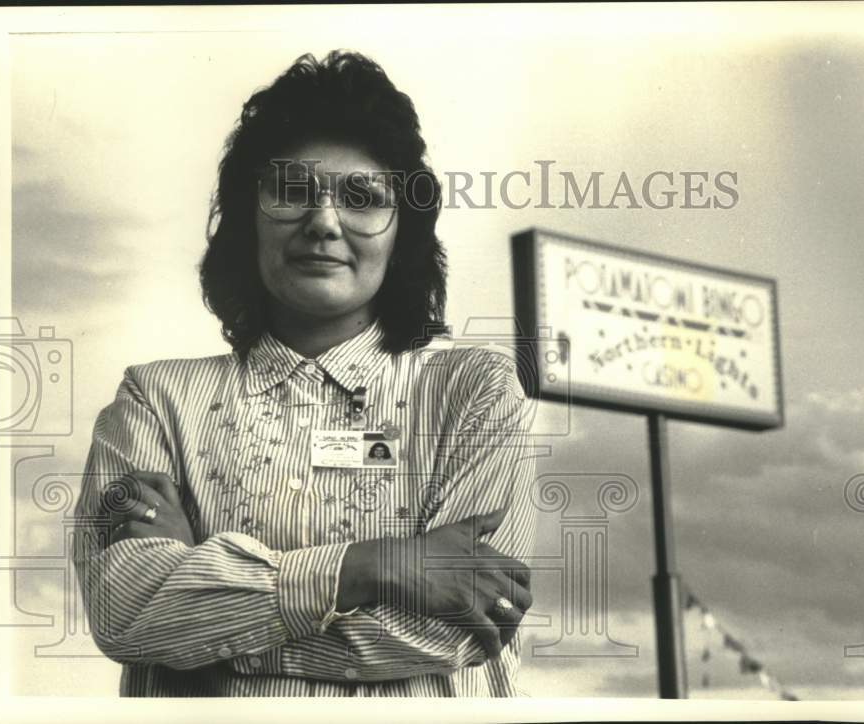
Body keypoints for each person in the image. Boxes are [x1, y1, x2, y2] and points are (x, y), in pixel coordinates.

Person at [71, 51, 537, 697]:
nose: (323, 221)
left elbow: (457, 631)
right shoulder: (155, 401)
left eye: (361, 197)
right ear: (246, 217)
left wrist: (201, 635)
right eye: (291, 190)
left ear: (402, 231)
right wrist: (376, 565)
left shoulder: (474, 392)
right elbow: (123, 611)